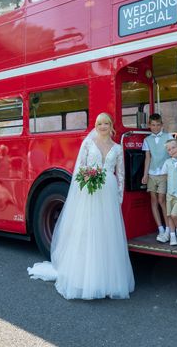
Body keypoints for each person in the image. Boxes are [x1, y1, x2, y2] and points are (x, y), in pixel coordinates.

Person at [27, 112, 135, 300]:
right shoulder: (88, 144)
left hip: (108, 194)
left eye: (106, 123)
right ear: (96, 126)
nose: (102, 126)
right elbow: (80, 168)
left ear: (111, 126)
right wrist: (84, 184)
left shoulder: (117, 148)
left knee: (106, 234)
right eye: (99, 123)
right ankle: (85, 278)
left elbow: (121, 175)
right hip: (90, 192)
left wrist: (118, 199)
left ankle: (106, 280)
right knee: (88, 231)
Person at [141, 113, 173, 243]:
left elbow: (173, 154)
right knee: (153, 201)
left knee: (162, 200)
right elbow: (148, 158)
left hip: (164, 173)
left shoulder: (168, 137)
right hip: (152, 173)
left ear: (162, 125)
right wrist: (145, 174)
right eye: (153, 125)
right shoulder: (147, 140)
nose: (155, 127)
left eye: (158, 125)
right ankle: (160, 229)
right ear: (149, 125)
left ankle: (168, 229)